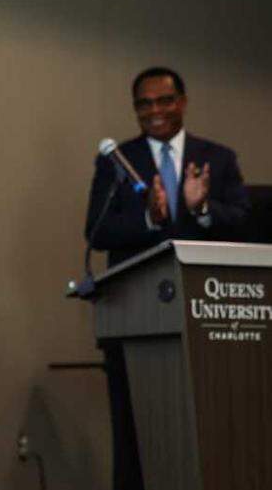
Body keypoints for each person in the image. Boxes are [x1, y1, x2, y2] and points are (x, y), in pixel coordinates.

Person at [83, 66, 250, 490]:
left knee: (210, 435)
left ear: (183, 102)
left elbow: (246, 223)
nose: (154, 111)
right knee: (134, 437)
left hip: (208, 323)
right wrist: (146, 217)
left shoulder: (218, 158)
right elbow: (97, 232)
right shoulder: (117, 161)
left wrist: (202, 210)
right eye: (144, 104)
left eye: (164, 100)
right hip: (135, 323)